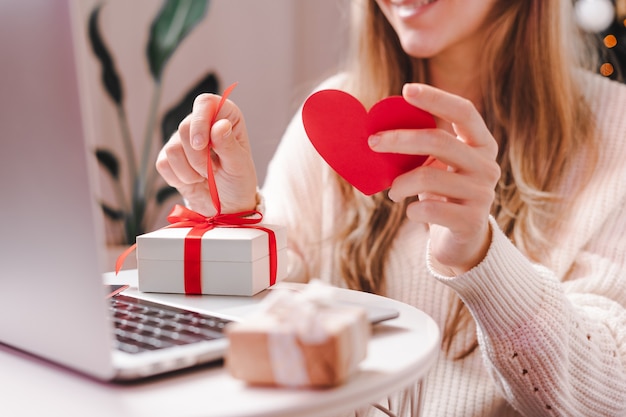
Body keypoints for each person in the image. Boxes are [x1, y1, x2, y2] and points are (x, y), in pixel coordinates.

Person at [156, 0, 626, 415]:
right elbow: (261, 322)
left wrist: (482, 257)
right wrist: (234, 217)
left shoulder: (615, 128)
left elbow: (608, 394)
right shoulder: (330, 120)